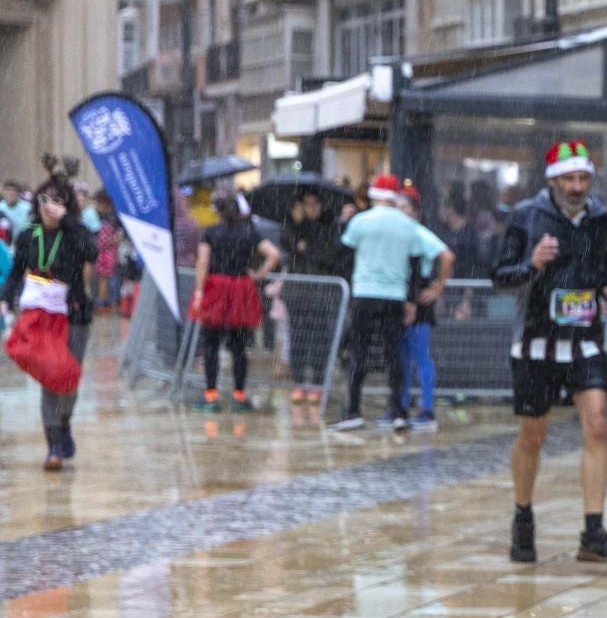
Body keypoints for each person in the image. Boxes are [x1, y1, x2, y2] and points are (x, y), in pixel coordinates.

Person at [493, 140, 607, 564]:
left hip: (585, 338)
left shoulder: (601, 218)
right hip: (537, 339)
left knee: (598, 426)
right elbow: (500, 275)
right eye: (569, 178)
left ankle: (593, 531)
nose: (576, 186)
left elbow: (602, 269)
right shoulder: (525, 216)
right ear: (552, 180)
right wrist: (532, 264)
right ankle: (523, 516)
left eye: (583, 178)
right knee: (533, 434)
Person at [331, 174, 451, 432]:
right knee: (394, 354)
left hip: (364, 293)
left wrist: (343, 224)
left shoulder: (360, 221)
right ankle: (398, 410)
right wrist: (411, 299)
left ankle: (353, 410)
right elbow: (416, 263)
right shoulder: (408, 226)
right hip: (395, 296)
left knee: (358, 352)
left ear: (374, 195)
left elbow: (342, 254)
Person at [2, 184, 97, 469]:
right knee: (49, 377)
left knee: (68, 377)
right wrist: (5, 300)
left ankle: (65, 421)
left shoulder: (75, 233)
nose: (50, 206)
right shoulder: (28, 235)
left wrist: (68, 220)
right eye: (45, 199)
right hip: (40, 314)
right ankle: (53, 444)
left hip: (73, 314)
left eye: (58, 201)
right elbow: (17, 272)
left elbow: (91, 253)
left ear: (67, 205)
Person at [192, 194, 280, 411]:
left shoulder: (210, 233)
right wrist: (258, 275)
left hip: (216, 288)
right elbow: (274, 254)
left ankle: (211, 394)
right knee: (239, 346)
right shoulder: (249, 233)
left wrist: (199, 291)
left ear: (218, 212)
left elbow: (203, 262)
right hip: (241, 288)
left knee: (211, 343)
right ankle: (239, 395)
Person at [284, 190, 348, 405]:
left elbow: (330, 255)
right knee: (298, 338)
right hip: (297, 294)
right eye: (307, 204)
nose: (311, 208)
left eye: (315, 204)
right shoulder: (293, 226)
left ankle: (319, 383)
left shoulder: (330, 227)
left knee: (320, 338)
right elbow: (287, 243)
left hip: (322, 294)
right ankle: (300, 382)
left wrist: (308, 248)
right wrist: (297, 226)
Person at [400, 179, 452, 431]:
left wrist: (437, 287)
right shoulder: (400, 234)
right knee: (403, 356)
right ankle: (402, 405)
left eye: (405, 208)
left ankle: (427, 408)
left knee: (419, 355)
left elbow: (447, 256)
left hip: (419, 299)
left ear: (416, 212)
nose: (400, 213)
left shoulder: (420, 234)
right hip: (402, 297)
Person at [91, 194, 120, 310]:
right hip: (108, 256)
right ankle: (104, 303)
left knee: (103, 281)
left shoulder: (105, 223)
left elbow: (101, 243)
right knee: (104, 281)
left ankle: (101, 304)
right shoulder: (110, 221)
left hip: (105, 256)